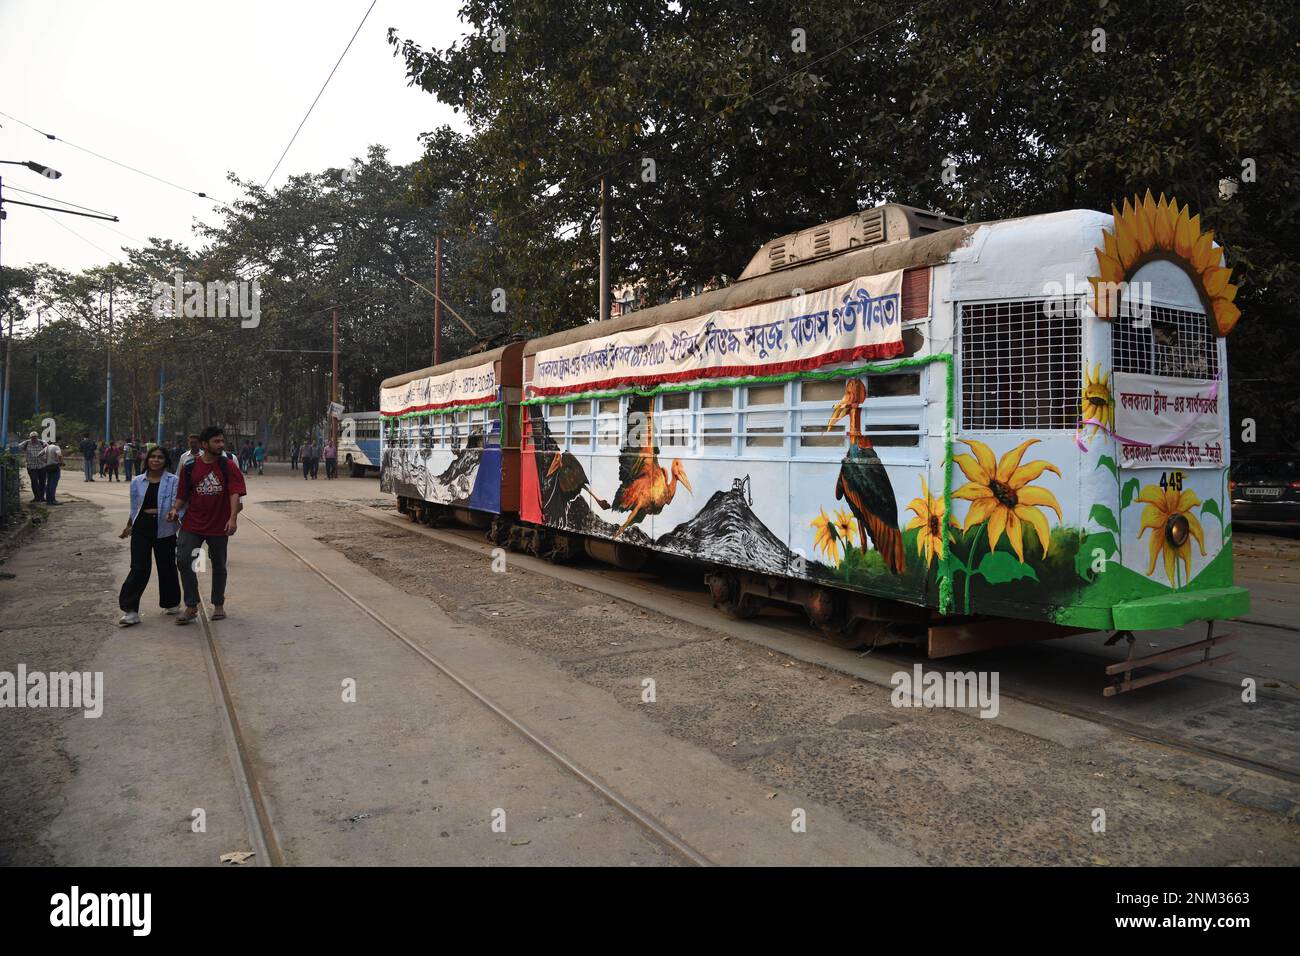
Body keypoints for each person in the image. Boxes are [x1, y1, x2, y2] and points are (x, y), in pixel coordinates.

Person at [167, 425, 246, 624]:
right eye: (216, 441)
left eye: (221, 441)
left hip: (219, 525)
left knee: (219, 564)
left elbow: (235, 492)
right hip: (193, 523)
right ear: (204, 444)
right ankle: (192, 605)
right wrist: (175, 509)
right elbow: (182, 495)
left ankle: (218, 605)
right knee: (185, 560)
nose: (220, 445)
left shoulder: (228, 465)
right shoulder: (190, 467)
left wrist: (233, 519)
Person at [118, 445, 182, 626]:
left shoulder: (173, 481)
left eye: (160, 457)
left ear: (165, 460)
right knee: (139, 567)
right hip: (142, 527)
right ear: (147, 460)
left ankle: (171, 602)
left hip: (165, 528)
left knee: (167, 566)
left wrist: (175, 513)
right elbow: (134, 507)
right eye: (152, 457)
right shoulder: (137, 481)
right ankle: (130, 610)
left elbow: (179, 503)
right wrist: (129, 525)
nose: (156, 460)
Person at [17, 431, 47, 502]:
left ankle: (42, 497)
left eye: (35, 437)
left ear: (37, 437)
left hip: (42, 466)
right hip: (31, 467)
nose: (34, 438)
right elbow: (17, 448)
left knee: (42, 482)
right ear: (30, 437)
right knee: (34, 481)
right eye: (32, 437)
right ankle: (36, 497)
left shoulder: (42, 443)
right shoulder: (26, 443)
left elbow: (49, 449)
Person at [41, 439, 63, 505]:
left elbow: (39, 455)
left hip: (48, 467)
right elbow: (59, 455)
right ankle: (52, 500)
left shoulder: (46, 448)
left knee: (49, 484)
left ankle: (48, 500)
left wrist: (45, 461)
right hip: (55, 467)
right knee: (53, 484)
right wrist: (61, 462)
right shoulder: (56, 447)